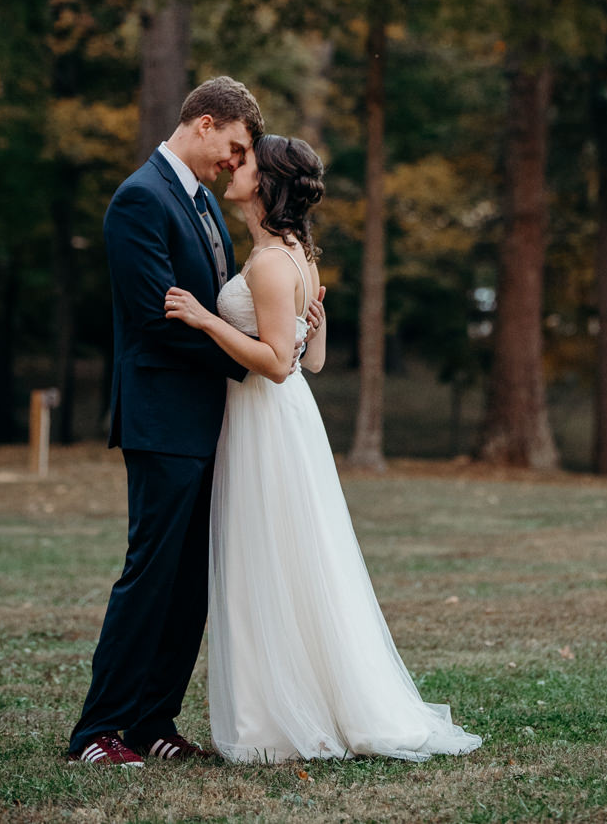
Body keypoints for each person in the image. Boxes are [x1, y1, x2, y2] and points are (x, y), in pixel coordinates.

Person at [164, 134, 482, 762]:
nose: (234, 165)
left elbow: (281, 364)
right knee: (284, 559)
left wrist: (207, 320)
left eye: (246, 161)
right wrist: (310, 325)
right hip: (276, 421)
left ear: (266, 182)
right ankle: (281, 708)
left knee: (271, 559)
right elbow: (317, 357)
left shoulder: (272, 263)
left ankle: (277, 721)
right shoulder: (293, 255)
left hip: (267, 418)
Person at [67, 77, 324, 767]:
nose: (235, 163)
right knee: (150, 575)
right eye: (234, 147)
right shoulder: (139, 200)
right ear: (204, 124)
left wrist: (270, 352)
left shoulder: (204, 207)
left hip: (213, 419)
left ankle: (154, 719)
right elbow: (159, 318)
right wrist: (259, 363)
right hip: (162, 417)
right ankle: (99, 731)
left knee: (190, 583)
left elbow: (213, 309)